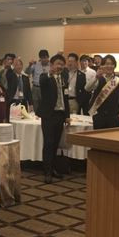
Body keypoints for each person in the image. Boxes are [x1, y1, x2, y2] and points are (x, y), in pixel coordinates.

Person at [37, 54, 70, 184]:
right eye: (57, 64)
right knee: (48, 143)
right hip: (49, 115)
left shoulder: (64, 78)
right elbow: (42, 82)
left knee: (56, 143)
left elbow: (66, 97)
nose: (60, 66)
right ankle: (47, 171)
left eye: (62, 64)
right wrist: (50, 73)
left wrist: (67, 116)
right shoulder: (45, 76)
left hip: (60, 115)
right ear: (51, 65)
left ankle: (53, 169)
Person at [89, 55, 119, 129]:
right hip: (98, 117)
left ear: (114, 66)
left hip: (113, 117)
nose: (109, 66)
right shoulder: (98, 79)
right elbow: (87, 88)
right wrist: (96, 77)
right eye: (107, 64)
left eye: (112, 64)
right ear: (102, 65)